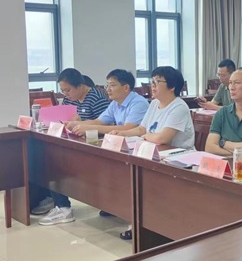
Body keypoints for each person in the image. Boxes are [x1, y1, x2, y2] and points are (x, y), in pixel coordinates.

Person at [113, 66, 195, 240]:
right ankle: (140, 223)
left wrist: (145, 136)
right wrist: (121, 133)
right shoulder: (154, 104)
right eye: (152, 81)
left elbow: (162, 138)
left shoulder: (179, 107)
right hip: (155, 155)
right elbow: (142, 129)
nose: (153, 85)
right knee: (131, 174)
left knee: (143, 179)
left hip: (179, 161)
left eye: (158, 81)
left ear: (172, 86)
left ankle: (152, 226)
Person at [34, 68, 110, 226]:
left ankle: (62, 207)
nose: (65, 94)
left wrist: (82, 124)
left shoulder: (97, 98)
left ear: (80, 86)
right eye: (62, 91)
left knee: (57, 163)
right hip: (74, 143)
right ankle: (55, 200)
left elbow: (107, 125)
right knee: (49, 157)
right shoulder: (69, 100)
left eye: (68, 90)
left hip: (96, 148)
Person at [66, 69, 148, 136]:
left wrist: (90, 128)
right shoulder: (115, 103)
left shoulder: (139, 103)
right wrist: (75, 124)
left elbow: (127, 128)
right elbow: (99, 122)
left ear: (126, 88)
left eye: (112, 85)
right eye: (107, 85)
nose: (108, 89)